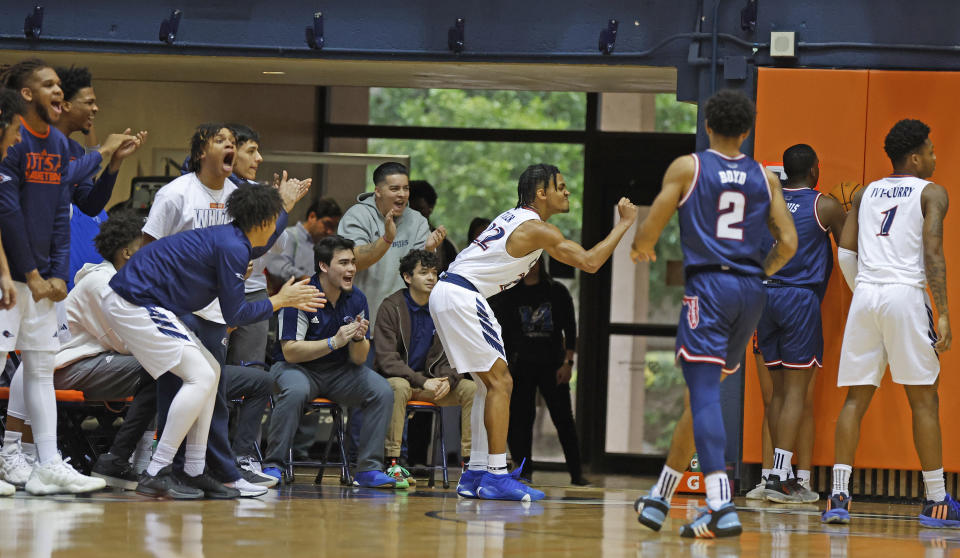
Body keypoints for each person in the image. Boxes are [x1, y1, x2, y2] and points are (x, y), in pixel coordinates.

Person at [631, 89, 797, 538]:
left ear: (707, 125)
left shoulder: (690, 167)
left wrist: (641, 248)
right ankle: (661, 496)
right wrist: (758, 273)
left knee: (703, 395)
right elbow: (789, 243)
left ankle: (721, 504)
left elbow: (651, 228)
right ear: (746, 131)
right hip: (751, 291)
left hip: (709, 287)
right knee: (699, 398)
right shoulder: (766, 176)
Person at [101, 185, 323, 499]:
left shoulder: (235, 238)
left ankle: (193, 469)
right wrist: (280, 300)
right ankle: (157, 470)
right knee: (201, 375)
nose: (277, 228)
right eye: (276, 220)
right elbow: (237, 313)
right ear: (262, 222)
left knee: (211, 372)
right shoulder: (233, 247)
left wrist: (284, 206)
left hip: (143, 301)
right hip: (134, 302)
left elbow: (260, 247)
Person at [432, 163, 638, 502]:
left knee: (488, 385)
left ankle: (477, 473)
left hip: (451, 292)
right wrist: (626, 223)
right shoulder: (538, 229)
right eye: (560, 186)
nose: (567, 191)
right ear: (541, 193)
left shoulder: (511, 217)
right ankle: (496, 475)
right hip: (462, 295)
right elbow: (590, 262)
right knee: (502, 383)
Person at [143, 123, 308, 495]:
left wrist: (283, 208)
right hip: (176, 305)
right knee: (180, 389)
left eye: (234, 142)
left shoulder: (239, 195)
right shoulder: (175, 194)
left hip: (216, 309)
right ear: (202, 152)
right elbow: (146, 249)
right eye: (222, 141)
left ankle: (205, 469)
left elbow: (256, 246)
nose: (230, 147)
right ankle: (166, 470)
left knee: (211, 391)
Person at [0, 59, 136, 495]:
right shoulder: (13, 141)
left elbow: (64, 212)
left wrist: (57, 274)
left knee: (40, 367)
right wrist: (30, 273)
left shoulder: (57, 144)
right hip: (15, 277)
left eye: (60, 84)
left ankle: (47, 464)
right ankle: (9, 456)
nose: (57, 90)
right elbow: (8, 214)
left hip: (45, 282)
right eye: (48, 84)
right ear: (26, 94)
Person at [823, 119, 955, 526]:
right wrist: (945, 312)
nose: (935, 156)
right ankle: (937, 501)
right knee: (924, 401)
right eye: (931, 151)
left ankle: (838, 496)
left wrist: (866, 287)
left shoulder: (865, 192)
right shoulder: (932, 192)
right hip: (904, 297)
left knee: (854, 400)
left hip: (866, 296)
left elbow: (846, 252)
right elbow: (933, 254)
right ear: (915, 157)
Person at [0, 212, 156, 491]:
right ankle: (134, 462)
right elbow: (125, 342)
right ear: (127, 251)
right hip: (64, 366)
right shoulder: (102, 282)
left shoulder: (132, 281)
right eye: (145, 245)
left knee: (166, 364)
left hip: (84, 362)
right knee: (161, 366)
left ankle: (141, 461)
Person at [261, 235, 401, 489]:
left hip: (339, 372)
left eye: (353, 263)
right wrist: (334, 342)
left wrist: (358, 340)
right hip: (296, 369)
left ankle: (368, 469)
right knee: (295, 391)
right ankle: (274, 465)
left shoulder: (356, 298)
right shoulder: (301, 295)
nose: (351, 269)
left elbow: (359, 360)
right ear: (324, 266)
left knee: (381, 390)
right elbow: (290, 351)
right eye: (344, 263)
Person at [748, 144, 843, 504]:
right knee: (796, 395)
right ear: (815, 170)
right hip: (797, 299)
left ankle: (780, 475)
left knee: (776, 393)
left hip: (763, 297)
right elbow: (851, 245)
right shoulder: (825, 205)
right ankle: (778, 478)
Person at [374, 249, 476, 485]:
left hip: (435, 384)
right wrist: (422, 381)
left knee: (472, 389)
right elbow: (387, 359)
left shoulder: (445, 308)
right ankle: (393, 463)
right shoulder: (391, 307)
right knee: (398, 386)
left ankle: (471, 465)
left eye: (434, 273)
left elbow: (459, 353)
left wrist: (449, 380)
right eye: (424, 273)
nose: (432, 278)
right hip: (401, 382)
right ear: (407, 277)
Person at [492, 256, 588, 486]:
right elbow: (502, 332)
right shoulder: (510, 294)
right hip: (520, 365)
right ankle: (524, 472)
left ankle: (577, 474)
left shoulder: (557, 291)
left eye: (534, 260)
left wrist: (569, 362)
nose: (531, 266)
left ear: (541, 263)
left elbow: (570, 328)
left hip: (553, 364)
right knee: (520, 420)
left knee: (564, 419)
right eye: (527, 261)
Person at [53, 65, 146, 290]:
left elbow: (91, 205)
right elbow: (55, 179)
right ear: (65, 105)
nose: (96, 108)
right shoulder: (36, 144)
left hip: (57, 265)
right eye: (88, 102)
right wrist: (103, 152)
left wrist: (115, 161)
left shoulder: (75, 151)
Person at [264, 197, 342, 284]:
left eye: (333, 227)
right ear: (312, 217)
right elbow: (277, 266)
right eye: (327, 224)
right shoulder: (289, 235)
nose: (330, 231)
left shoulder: (325, 245)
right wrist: (307, 280)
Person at [409, 180, 458, 271]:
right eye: (410, 209)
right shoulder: (395, 236)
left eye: (419, 209)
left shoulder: (444, 244)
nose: (415, 214)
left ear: (430, 208)